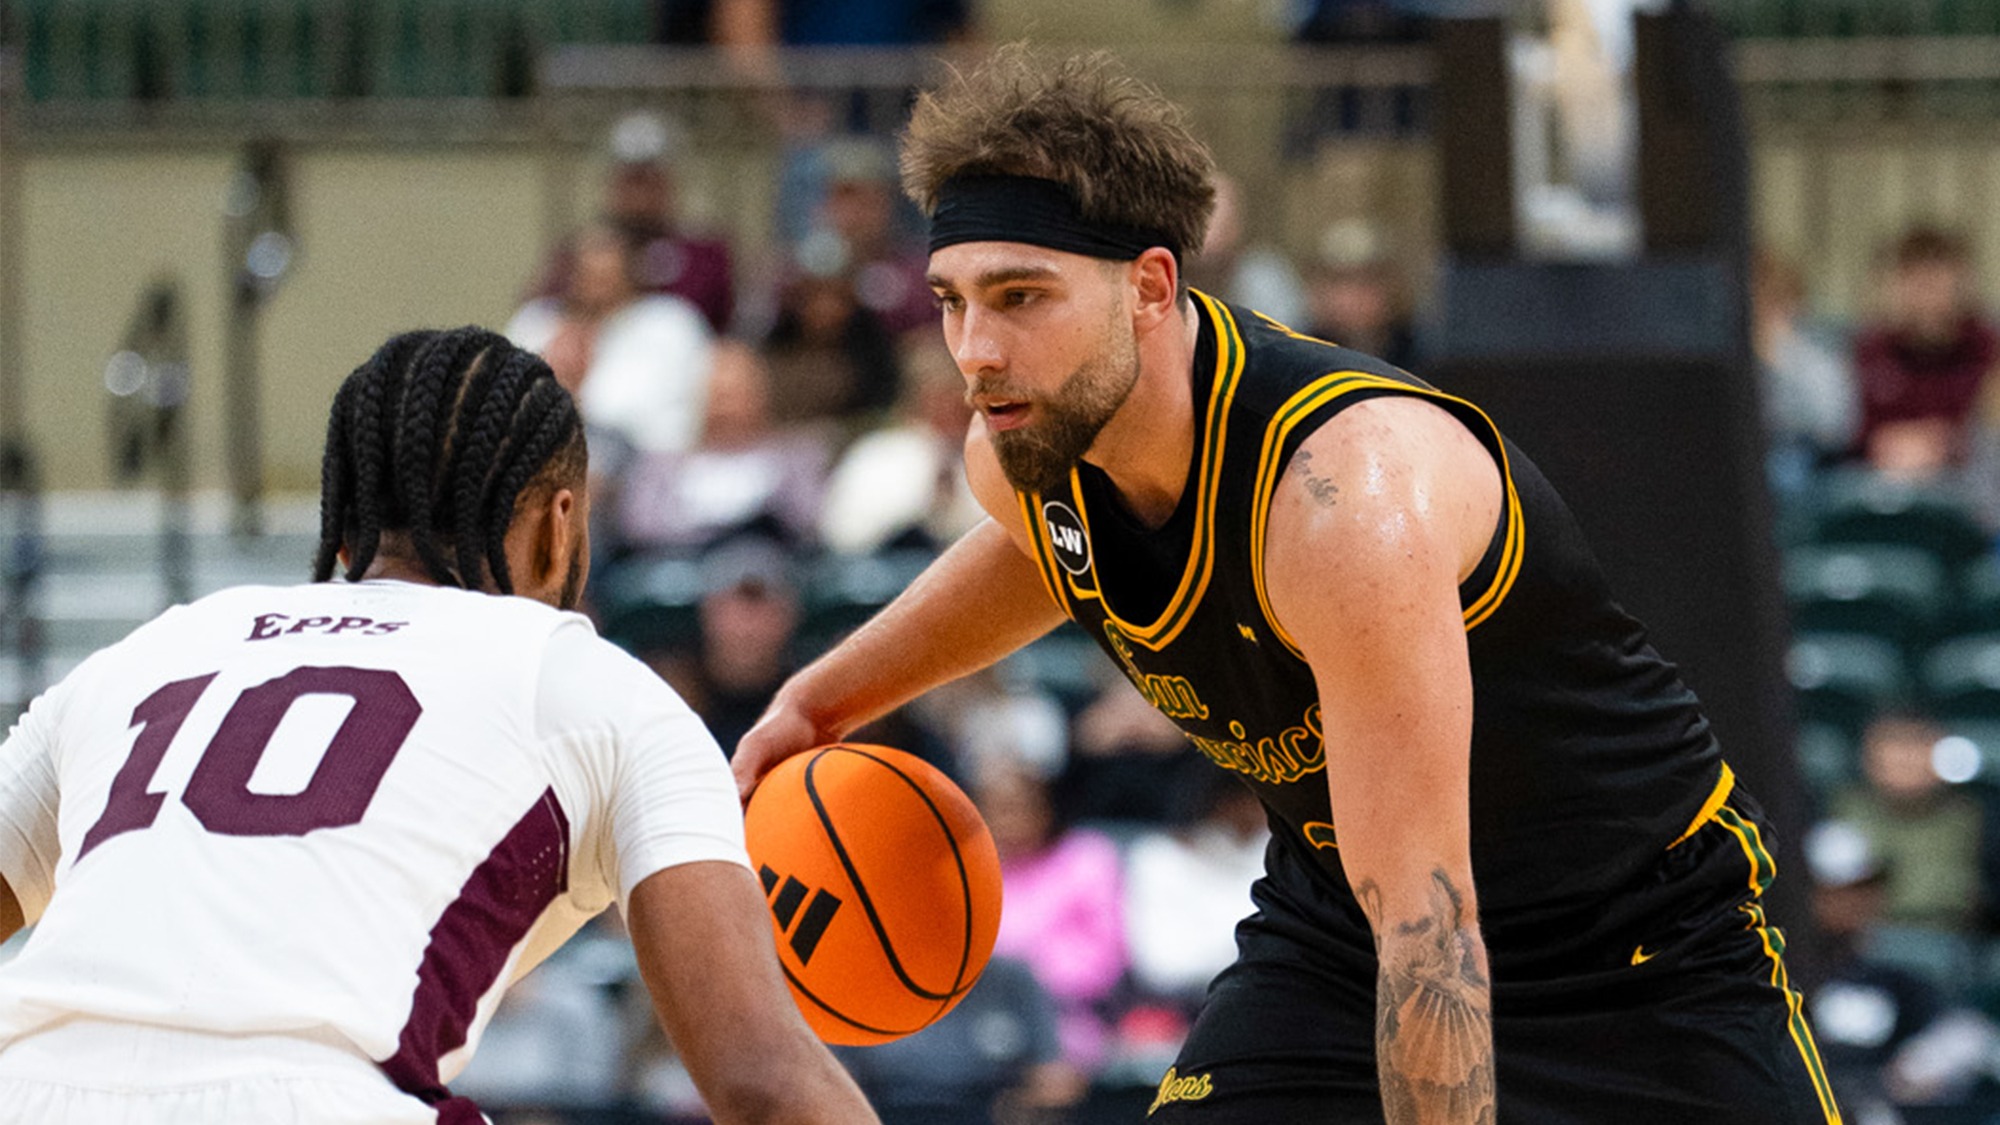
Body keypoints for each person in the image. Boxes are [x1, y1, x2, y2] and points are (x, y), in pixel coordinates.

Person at [732, 46, 1840, 1123]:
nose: (973, 349)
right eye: (950, 299)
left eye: (1019, 296)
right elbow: (1042, 553)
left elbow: (1431, 932)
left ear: (1151, 288)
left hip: (1635, 955)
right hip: (1337, 932)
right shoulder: (1029, 440)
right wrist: (820, 702)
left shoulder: (1339, 503)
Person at [0, 328, 875, 1125]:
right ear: (559, 524)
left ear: (343, 531)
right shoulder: (594, 684)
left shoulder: (147, 650)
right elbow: (761, 1080)